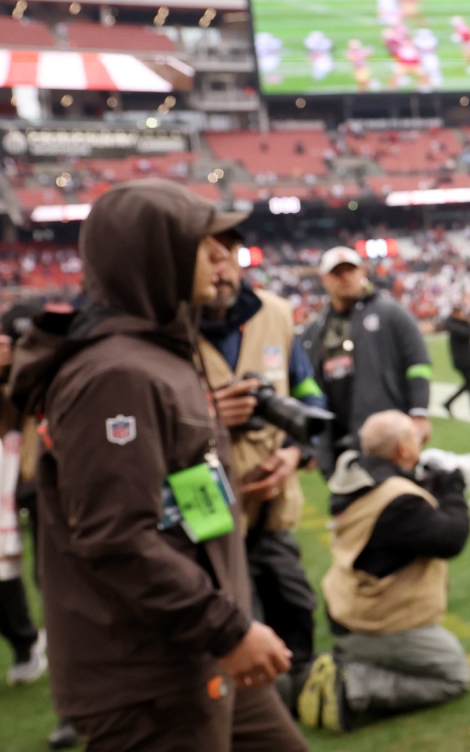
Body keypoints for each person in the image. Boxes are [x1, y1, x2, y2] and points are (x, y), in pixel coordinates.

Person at [14, 180, 305, 751]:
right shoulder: (116, 373)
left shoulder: (158, 352)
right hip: (150, 672)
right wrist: (229, 629)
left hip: (196, 647)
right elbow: (118, 536)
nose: (225, 260)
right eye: (207, 245)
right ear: (156, 255)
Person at [199, 230, 326, 710]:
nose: (222, 267)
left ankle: (301, 697)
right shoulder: (164, 326)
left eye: (228, 254)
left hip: (272, 504)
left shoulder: (273, 312)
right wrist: (209, 415)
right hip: (209, 513)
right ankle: (255, 712)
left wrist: (293, 452)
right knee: (237, 618)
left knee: (295, 604)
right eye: (208, 256)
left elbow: (309, 393)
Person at [300, 411, 470, 733]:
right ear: (404, 449)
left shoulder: (355, 476)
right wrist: (453, 490)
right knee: (454, 675)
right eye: (415, 437)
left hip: (348, 609)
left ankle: (354, 660)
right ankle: (352, 685)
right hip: (374, 622)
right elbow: (451, 538)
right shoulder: (398, 502)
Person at [297, 246, 434, 472]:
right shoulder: (315, 330)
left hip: (387, 434)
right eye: (336, 273)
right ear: (324, 279)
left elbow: (418, 363)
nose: (345, 278)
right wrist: (311, 441)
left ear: (362, 272)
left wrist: (419, 412)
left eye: (350, 270)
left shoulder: (391, 313)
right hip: (337, 440)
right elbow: (308, 386)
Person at [0, 330, 44, 689]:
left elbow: (22, 406)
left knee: (13, 574)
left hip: (22, 477)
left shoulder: (23, 379)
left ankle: (27, 643)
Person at [440, 306, 470, 417]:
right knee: (469, 383)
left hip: (467, 357)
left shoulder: (460, 323)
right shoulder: (453, 325)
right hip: (462, 359)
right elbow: (467, 333)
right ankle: (448, 402)